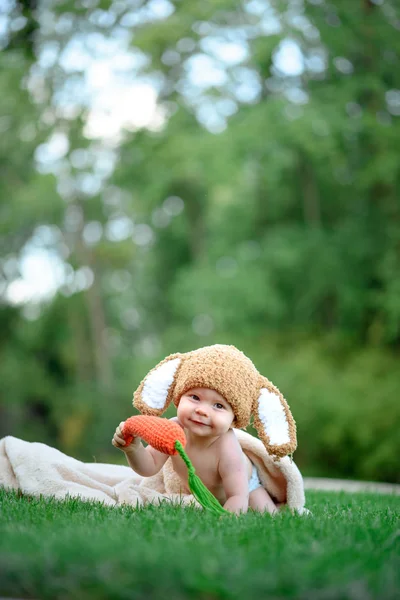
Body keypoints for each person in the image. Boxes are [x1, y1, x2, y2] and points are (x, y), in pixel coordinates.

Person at [112, 344, 297, 515]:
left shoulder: (227, 447)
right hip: (195, 490)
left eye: (218, 406)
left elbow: (237, 496)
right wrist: (133, 449)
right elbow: (149, 466)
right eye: (194, 397)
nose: (202, 410)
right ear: (179, 396)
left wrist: (226, 521)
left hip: (245, 486)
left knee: (267, 513)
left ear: (234, 418)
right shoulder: (174, 430)